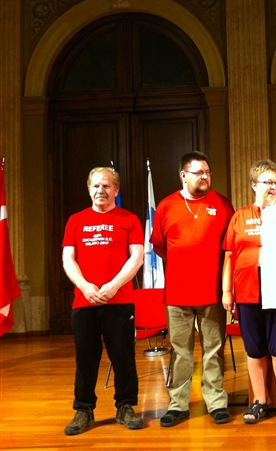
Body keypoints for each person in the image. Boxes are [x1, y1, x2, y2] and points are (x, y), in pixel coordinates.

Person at [150, 151, 235, 427]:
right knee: (180, 350)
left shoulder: (222, 204)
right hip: (177, 293)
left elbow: (231, 246)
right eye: (199, 172)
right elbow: (160, 246)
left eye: (208, 172)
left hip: (212, 292)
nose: (205, 177)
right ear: (183, 175)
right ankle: (178, 404)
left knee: (214, 348)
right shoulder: (166, 205)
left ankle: (216, 402)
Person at [222, 159, 276, 425]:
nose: (272, 187)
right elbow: (229, 256)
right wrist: (227, 292)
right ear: (253, 185)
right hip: (246, 292)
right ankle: (259, 401)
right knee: (254, 350)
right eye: (267, 182)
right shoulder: (240, 216)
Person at [62, 167, 144, 435]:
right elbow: (68, 258)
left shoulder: (129, 219)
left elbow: (137, 257)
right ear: (89, 189)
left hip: (119, 301)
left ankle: (125, 406)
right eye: (96, 186)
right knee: (86, 358)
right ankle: (83, 409)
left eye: (107, 186)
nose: (101, 190)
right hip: (84, 302)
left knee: (123, 356)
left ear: (116, 190)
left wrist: (112, 286)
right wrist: (86, 287)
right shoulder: (75, 220)